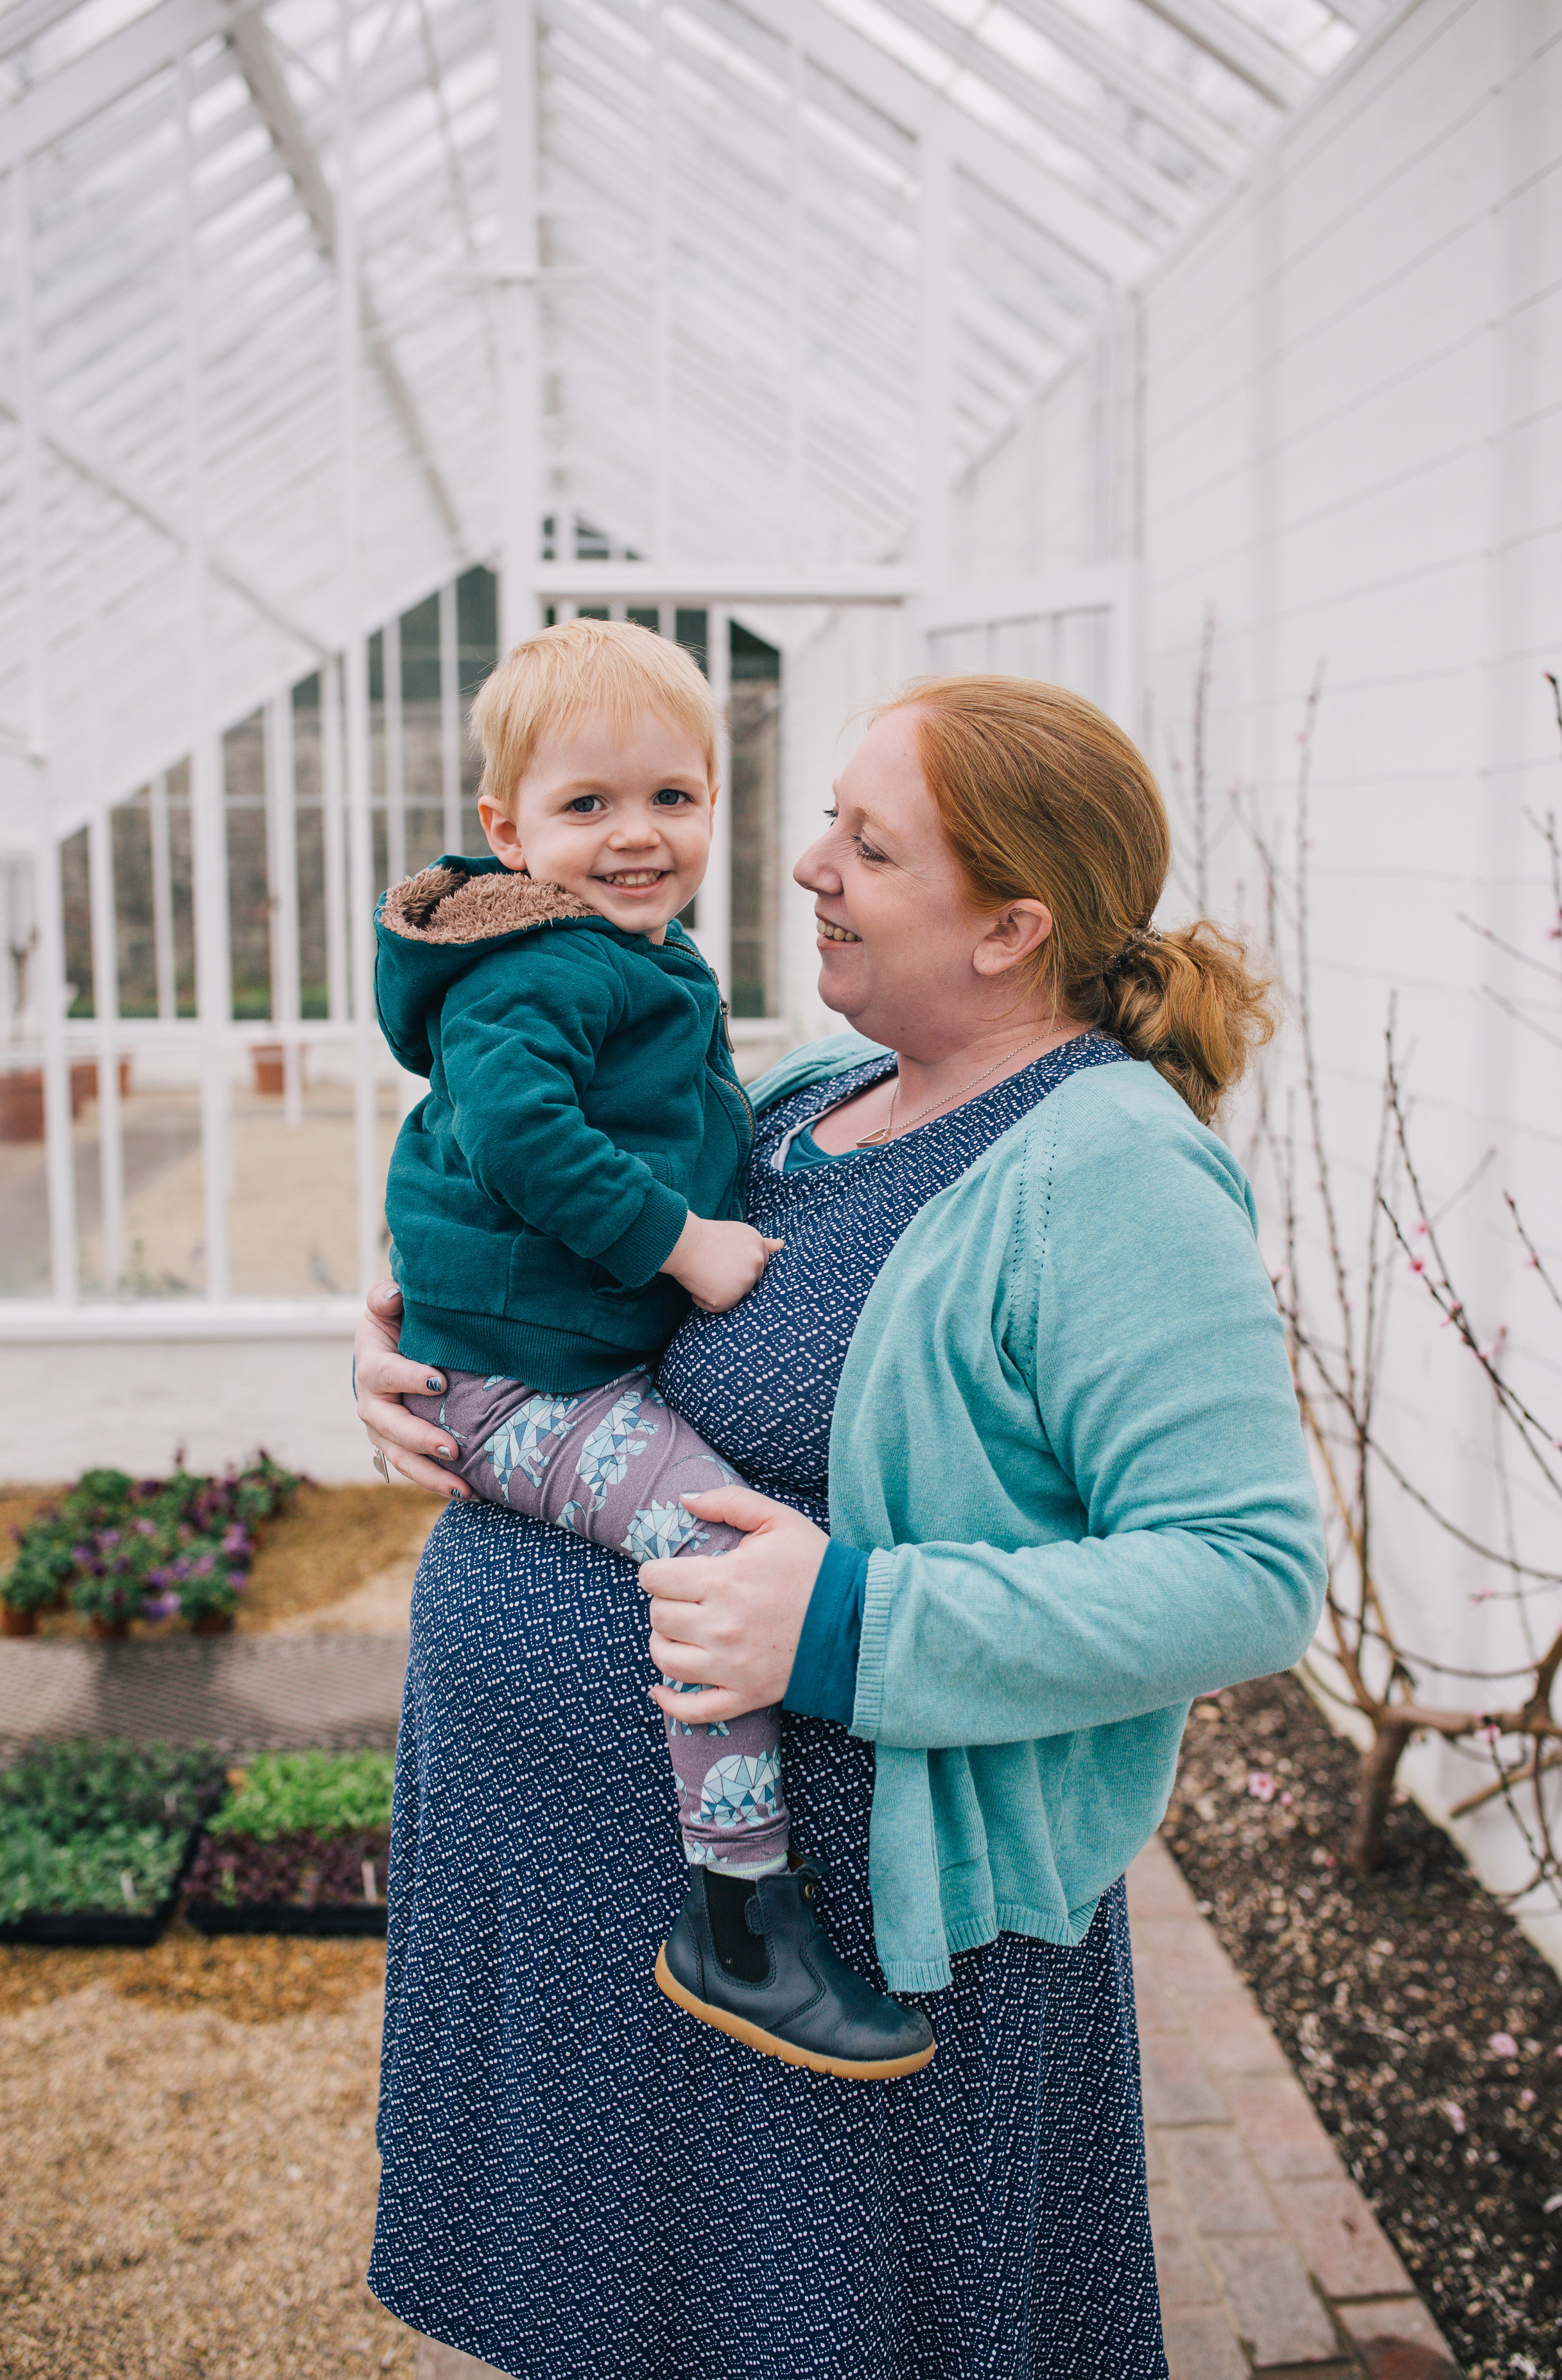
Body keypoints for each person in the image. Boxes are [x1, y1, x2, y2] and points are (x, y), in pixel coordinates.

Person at [359, 672, 1328, 2380]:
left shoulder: (1105, 1165)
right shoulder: (813, 1095)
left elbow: (1245, 1576)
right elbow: (564, 1232)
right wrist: (404, 1346)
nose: (804, 861)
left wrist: (845, 1621)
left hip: (860, 1963)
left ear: (1007, 926)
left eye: (868, 844)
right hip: (592, 1909)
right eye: (823, 816)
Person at [373, 613, 932, 2076]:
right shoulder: (537, 970)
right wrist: (683, 1249)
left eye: (669, 799)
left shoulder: (624, 954)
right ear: (503, 828)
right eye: (585, 807)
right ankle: (737, 1913)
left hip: (537, 1362)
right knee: (701, 1541)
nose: (636, 836)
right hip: (516, 1388)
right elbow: (513, 1141)